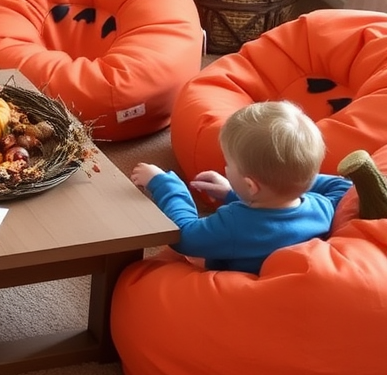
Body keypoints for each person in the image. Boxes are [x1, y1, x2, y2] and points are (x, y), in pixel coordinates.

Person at [130, 100, 352, 275]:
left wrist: (165, 184)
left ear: (250, 185)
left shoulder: (236, 224)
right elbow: (343, 185)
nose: (226, 167)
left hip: (233, 285)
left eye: (229, 163)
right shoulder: (322, 207)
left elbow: (183, 237)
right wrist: (236, 192)